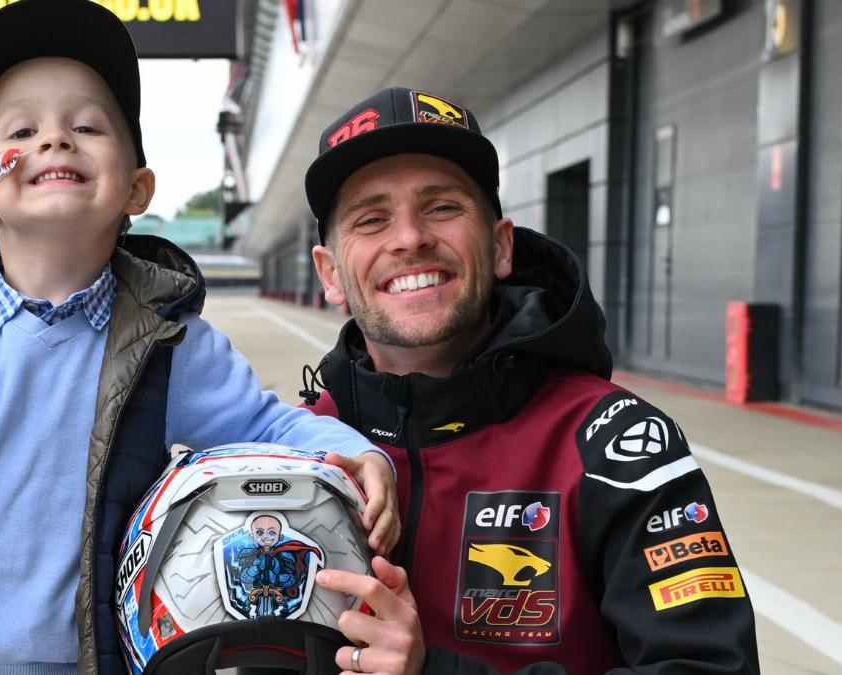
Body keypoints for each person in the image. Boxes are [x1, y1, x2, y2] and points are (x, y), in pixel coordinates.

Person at [0, 2, 398, 673]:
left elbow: (268, 426)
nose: (56, 139)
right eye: (23, 130)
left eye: (86, 126)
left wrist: (356, 452)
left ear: (137, 189)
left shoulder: (170, 344)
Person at [302, 87, 760, 674]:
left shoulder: (614, 446)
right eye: (372, 219)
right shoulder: (298, 450)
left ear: (500, 247)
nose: (410, 237)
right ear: (330, 274)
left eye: (442, 207)